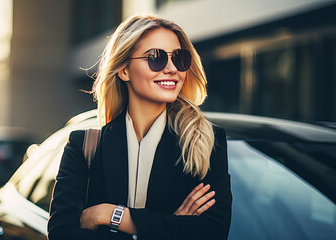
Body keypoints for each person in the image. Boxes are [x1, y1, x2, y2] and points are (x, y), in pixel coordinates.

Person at [48, 14, 232, 240]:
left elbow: (213, 233)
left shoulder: (206, 141)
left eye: (180, 58)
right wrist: (169, 227)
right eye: (156, 57)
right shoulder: (83, 146)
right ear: (124, 70)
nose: (172, 69)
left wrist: (114, 215)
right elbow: (61, 234)